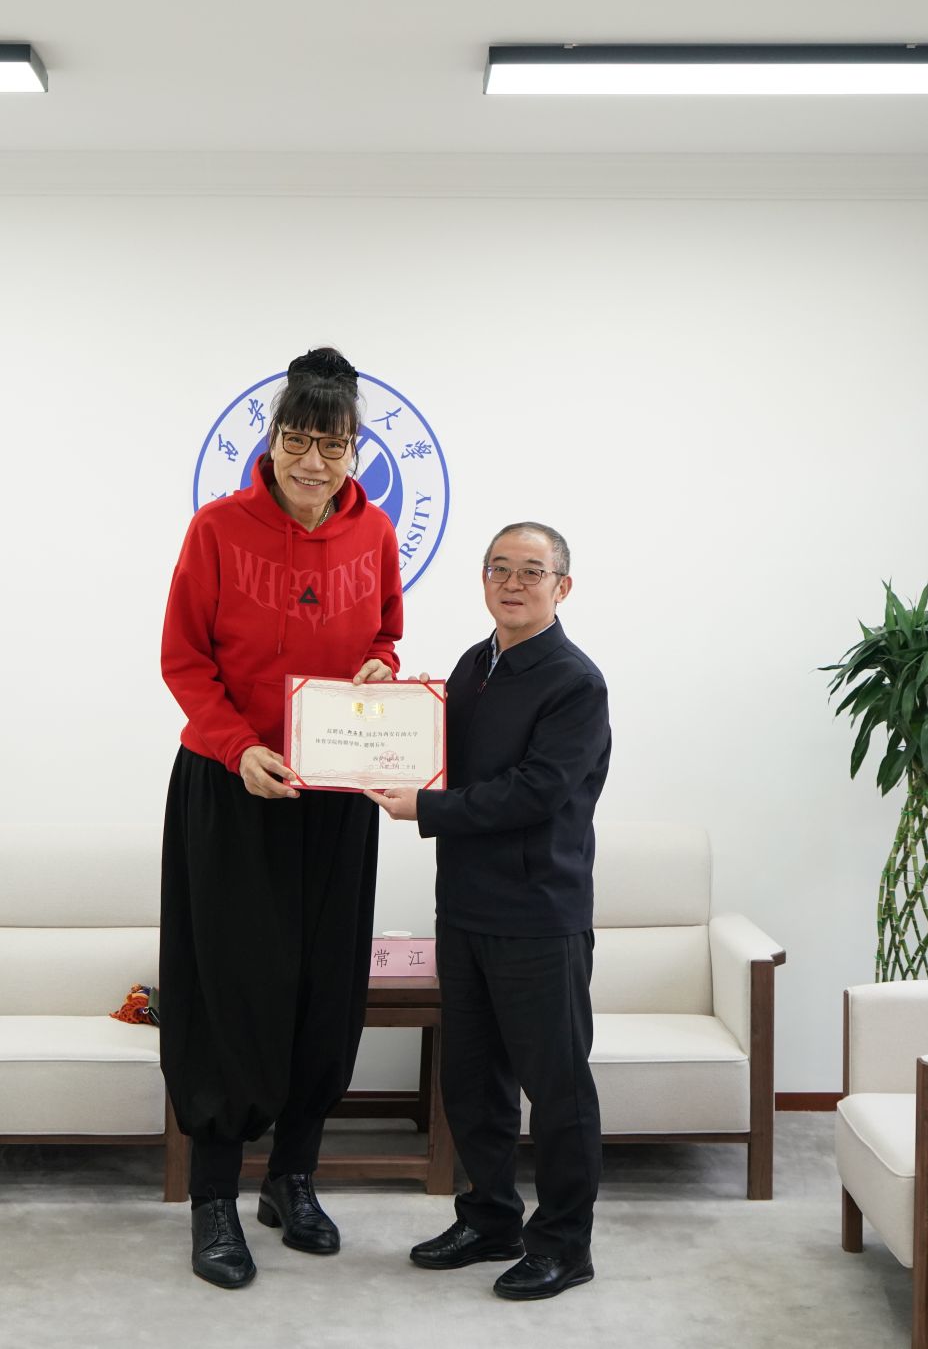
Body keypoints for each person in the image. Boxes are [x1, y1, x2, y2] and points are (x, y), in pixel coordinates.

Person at [159, 346, 403, 1289]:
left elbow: (385, 633)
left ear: (354, 451)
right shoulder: (217, 529)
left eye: (332, 445)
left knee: (324, 990)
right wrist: (237, 749)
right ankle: (215, 1196)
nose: (314, 461)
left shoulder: (374, 531)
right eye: (298, 440)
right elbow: (185, 661)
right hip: (233, 787)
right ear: (272, 440)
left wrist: (381, 666)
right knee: (231, 992)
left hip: (335, 795)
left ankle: (293, 1178)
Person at [370, 521, 611, 1301]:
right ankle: (489, 1220)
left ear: (562, 587)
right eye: (498, 568)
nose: (512, 583)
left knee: (557, 1087)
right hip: (466, 907)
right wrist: (386, 713)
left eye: (531, 571)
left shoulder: (575, 682)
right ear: (482, 580)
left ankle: (565, 1245)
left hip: (539, 913)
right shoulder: (476, 665)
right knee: (472, 1081)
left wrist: (426, 808)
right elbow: (436, 751)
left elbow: (537, 792)